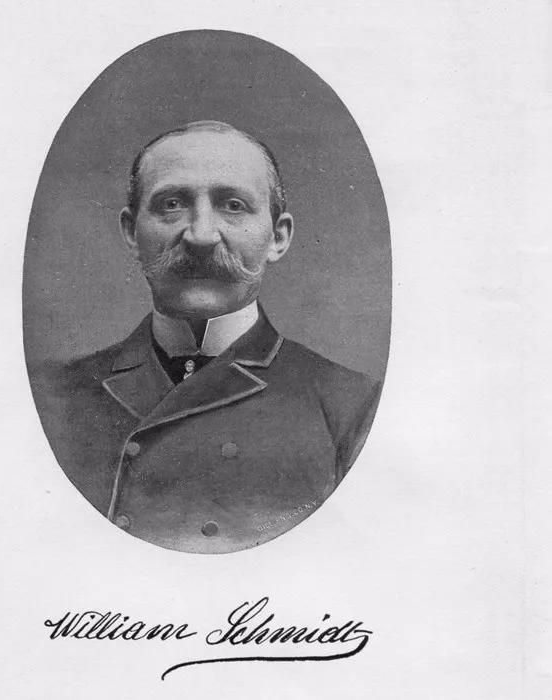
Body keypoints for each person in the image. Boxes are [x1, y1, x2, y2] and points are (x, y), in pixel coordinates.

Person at [33, 120, 381, 554]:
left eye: (233, 205)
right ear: (131, 233)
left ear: (278, 237)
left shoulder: (352, 408)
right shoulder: (49, 396)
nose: (200, 235)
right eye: (172, 205)